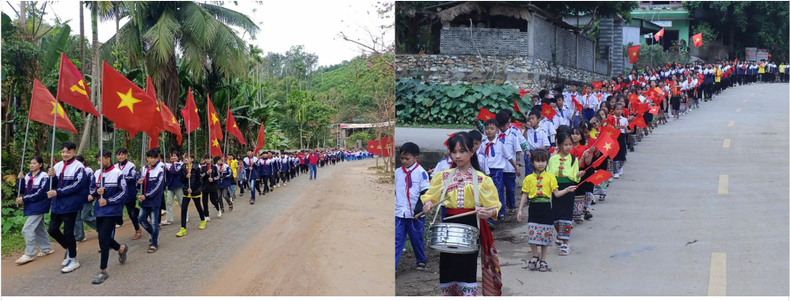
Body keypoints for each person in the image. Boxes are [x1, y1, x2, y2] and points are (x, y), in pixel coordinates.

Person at [420, 132, 501, 296]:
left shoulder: (481, 179)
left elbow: (494, 205)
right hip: (448, 224)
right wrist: (428, 203)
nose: (457, 156)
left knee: (467, 266)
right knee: (448, 266)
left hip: (470, 225)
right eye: (454, 151)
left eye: (462, 151)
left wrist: (488, 212)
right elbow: (430, 195)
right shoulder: (443, 176)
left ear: (472, 151)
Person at [517, 149, 576, 272]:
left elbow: (557, 194)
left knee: (545, 235)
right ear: (532, 162)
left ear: (547, 162)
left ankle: (543, 259)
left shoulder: (551, 177)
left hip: (546, 207)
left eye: (543, 161)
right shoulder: (528, 178)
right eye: (537, 161)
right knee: (532, 233)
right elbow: (524, 194)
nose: (541, 164)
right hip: (534, 208)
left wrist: (567, 190)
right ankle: (535, 255)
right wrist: (520, 210)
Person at [89, 150, 129, 284]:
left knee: (103, 239)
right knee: (102, 235)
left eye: (101, 160)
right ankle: (121, 248)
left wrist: (109, 200)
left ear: (108, 159)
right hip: (99, 209)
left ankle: (103, 270)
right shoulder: (97, 173)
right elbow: (91, 189)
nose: (99, 163)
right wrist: (96, 192)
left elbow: (123, 192)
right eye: (98, 161)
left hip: (112, 210)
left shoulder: (118, 173)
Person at [46, 141, 87, 273]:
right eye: (63, 151)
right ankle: (69, 248)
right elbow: (54, 184)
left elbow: (77, 185)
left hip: (71, 204)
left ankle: (74, 260)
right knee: (52, 229)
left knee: (69, 232)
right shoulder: (57, 166)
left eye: (68, 152)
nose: (65, 154)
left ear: (74, 152)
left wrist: (58, 192)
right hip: (57, 204)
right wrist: (52, 176)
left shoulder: (79, 167)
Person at [394, 142, 430, 271]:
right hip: (399, 213)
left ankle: (421, 260)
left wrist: (420, 208)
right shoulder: (398, 172)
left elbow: (426, 191)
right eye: (402, 158)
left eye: (407, 159)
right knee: (396, 240)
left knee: (416, 238)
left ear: (416, 158)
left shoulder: (421, 173)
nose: (404, 161)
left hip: (416, 214)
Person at [547, 132, 584, 256]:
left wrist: (578, 176)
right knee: (555, 216)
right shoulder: (552, 159)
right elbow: (548, 173)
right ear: (559, 145)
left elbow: (574, 176)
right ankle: (559, 236)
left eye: (570, 145)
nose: (568, 147)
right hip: (555, 188)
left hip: (569, 189)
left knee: (566, 216)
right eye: (565, 144)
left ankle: (565, 243)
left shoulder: (574, 160)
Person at [15, 156, 55, 265]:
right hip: (31, 205)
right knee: (38, 227)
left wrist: (24, 199)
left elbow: (41, 194)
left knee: (27, 229)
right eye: (30, 163)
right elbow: (22, 190)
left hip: (40, 205)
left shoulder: (44, 176)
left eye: (34, 163)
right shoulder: (28, 176)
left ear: (40, 165)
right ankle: (46, 248)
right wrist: (21, 180)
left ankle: (29, 253)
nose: (32, 165)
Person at [480, 119, 510, 228]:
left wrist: (515, 166)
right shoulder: (482, 144)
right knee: (487, 192)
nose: (489, 131)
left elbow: (508, 156)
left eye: (492, 129)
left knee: (497, 191)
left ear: (497, 130)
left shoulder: (500, 143)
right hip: (485, 171)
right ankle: (489, 214)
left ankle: (499, 212)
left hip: (497, 170)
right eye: (487, 128)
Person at [137, 149, 165, 253]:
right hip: (144, 200)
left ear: (157, 158)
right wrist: (139, 182)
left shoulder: (160, 169)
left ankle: (154, 243)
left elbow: (158, 186)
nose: (152, 160)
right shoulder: (143, 169)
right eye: (150, 158)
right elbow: (138, 183)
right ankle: (154, 234)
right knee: (141, 220)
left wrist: (147, 195)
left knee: (154, 222)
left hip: (154, 200)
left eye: (154, 158)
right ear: (147, 158)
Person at [495, 112, 521, 217]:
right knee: (499, 189)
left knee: (510, 189)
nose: (501, 128)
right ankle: (501, 208)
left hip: (510, 168)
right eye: (499, 126)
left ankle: (512, 206)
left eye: (503, 125)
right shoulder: (495, 135)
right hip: (498, 167)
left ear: (508, 122)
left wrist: (517, 165)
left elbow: (518, 151)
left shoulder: (513, 135)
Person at [114, 148, 142, 240]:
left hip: (129, 192)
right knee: (116, 214)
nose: (120, 156)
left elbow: (132, 177)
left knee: (131, 213)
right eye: (118, 154)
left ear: (126, 155)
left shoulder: (131, 166)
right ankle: (109, 239)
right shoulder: (114, 167)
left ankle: (137, 229)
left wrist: (119, 178)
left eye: (122, 154)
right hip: (118, 193)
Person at [177, 153, 205, 237]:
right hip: (186, 191)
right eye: (184, 158)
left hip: (195, 190)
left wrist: (192, 188)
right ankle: (183, 228)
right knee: (184, 209)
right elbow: (181, 180)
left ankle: (203, 220)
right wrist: (186, 177)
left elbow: (199, 181)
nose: (185, 159)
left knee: (198, 206)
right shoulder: (182, 168)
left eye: (187, 158)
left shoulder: (196, 168)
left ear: (192, 159)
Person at [73, 155, 96, 242]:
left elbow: (92, 183)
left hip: (86, 197)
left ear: (83, 162)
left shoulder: (88, 170)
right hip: (77, 198)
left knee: (85, 216)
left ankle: (102, 226)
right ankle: (79, 235)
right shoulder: (74, 171)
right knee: (76, 217)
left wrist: (91, 194)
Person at [162, 151, 184, 226]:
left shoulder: (180, 164)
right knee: (169, 202)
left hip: (178, 185)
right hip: (170, 186)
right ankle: (169, 219)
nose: (173, 157)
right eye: (172, 156)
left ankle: (185, 215)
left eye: (175, 156)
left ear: (178, 157)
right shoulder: (168, 165)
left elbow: (176, 172)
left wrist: (172, 165)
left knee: (181, 202)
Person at [612, 103, 630, 179]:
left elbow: (626, 131)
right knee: (614, 153)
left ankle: (620, 166)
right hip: (614, 137)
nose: (619, 111)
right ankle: (615, 171)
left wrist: (631, 130)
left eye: (620, 109)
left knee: (622, 152)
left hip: (621, 137)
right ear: (614, 110)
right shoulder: (611, 118)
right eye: (617, 109)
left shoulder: (624, 120)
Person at [201, 154, 220, 219]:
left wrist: (213, 179)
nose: (207, 160)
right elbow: (201, 176)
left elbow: (218, 176)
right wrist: (207, 173)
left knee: (213, 200)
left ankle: (218, 208)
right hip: (205, 187)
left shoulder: (214, 167)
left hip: (213, 187)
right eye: (206, 159)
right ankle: (206, 215)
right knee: (204, 202)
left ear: (211, 159)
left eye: (209, 158)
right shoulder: (203, 167)